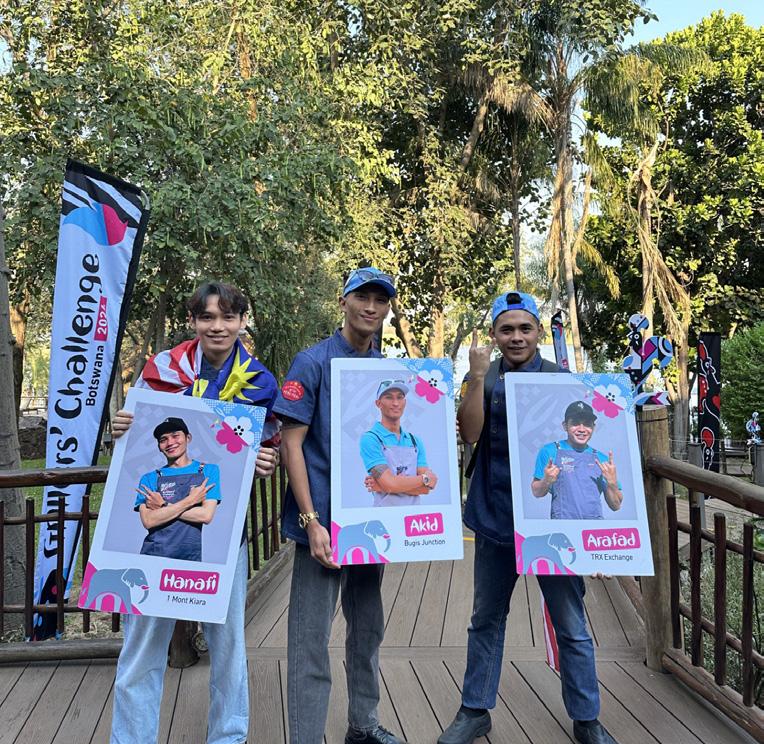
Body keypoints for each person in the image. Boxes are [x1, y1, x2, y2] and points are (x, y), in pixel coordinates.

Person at [438, 291, 619, 744]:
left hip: (551, 524)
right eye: (507, 329)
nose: (516, 337)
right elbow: (470, 432)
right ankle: (475, 709)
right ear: (494, 334)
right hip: (495, 515)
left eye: (525, 328)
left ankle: (587, 718)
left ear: (538, 331)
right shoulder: (483, 377)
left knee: (570, 622)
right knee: (486, 618)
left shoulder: (563, 381)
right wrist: (476, 376)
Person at [109, 281, 279, 744]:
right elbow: (136, 433)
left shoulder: (261, 382)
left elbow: (268, 447)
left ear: (242, 321)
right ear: (193, 321)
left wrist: (267, 459)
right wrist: (121, 425)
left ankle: (228, 737)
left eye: (228, 317)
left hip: (222, 536)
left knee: (229, 647)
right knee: (142, 647)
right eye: (207, 317)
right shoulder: (163, 369)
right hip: (154, 547)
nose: (217, 326)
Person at [275, 267, 406, 744]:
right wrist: (311, 521)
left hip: (368, 522)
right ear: (343, 301)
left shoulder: (387, 371)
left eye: (380, 300)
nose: (371, 307)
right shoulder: (311, 363)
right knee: (311, 638)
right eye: (362, 297)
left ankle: (363, 725)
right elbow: (292, 445)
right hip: (322, 525)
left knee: (367, 628)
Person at [135, 417, 220, 561]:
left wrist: (163, 505)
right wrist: (191, 501)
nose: (170, 443)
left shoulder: (208, 471)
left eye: (175, 436)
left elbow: (205, 516)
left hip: (189, 558)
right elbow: (149, 520)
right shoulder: (149, 478)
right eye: (163, 439)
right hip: (153, 556)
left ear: (188, 438)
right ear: (159, 446)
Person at [531, 400, 623, 519]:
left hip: (593, 528)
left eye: (587, 424)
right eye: (575, 423)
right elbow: (537, 493)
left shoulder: (602, 459)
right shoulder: (549, 451)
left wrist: (612, 483)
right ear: (565, 426)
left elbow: (616, 506)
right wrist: (546, 481)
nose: (581, 429)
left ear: (593, 427)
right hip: (563, 526)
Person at [360, 379, 438, 506]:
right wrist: (425, 478)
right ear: (378, 403)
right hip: (384, 515)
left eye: (400, 397)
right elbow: (391, 485)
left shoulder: (415, 441)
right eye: (389, 397)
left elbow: (425, 489)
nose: (395, 403)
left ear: (405, 402)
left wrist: (383, 486)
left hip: (414, 516)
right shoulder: (370, 439)